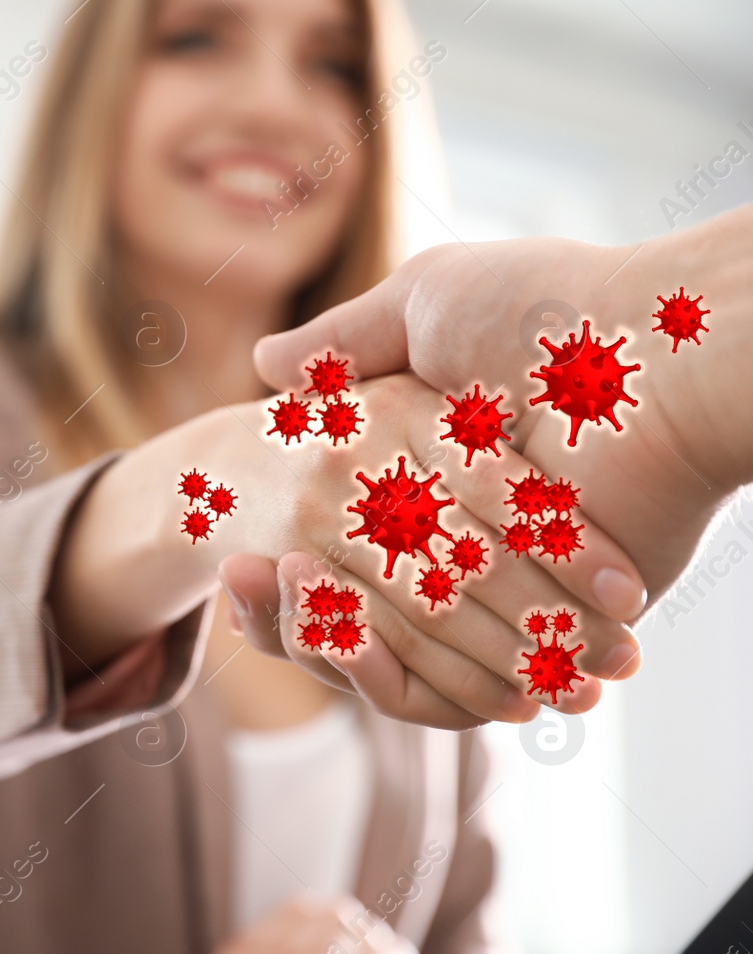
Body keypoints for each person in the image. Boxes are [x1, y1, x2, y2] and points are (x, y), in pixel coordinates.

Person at [0, 0, 629, 954]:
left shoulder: (405, 500)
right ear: (90, 105)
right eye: (195, 37)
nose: (276, 105)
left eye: (330, 67)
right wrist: (208, 483)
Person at [225, 204, 752, 685]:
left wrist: (672, 385)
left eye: (346, 91)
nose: (271, 103)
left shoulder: (429, 626)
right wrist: (222, 459)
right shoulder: (430, 628)